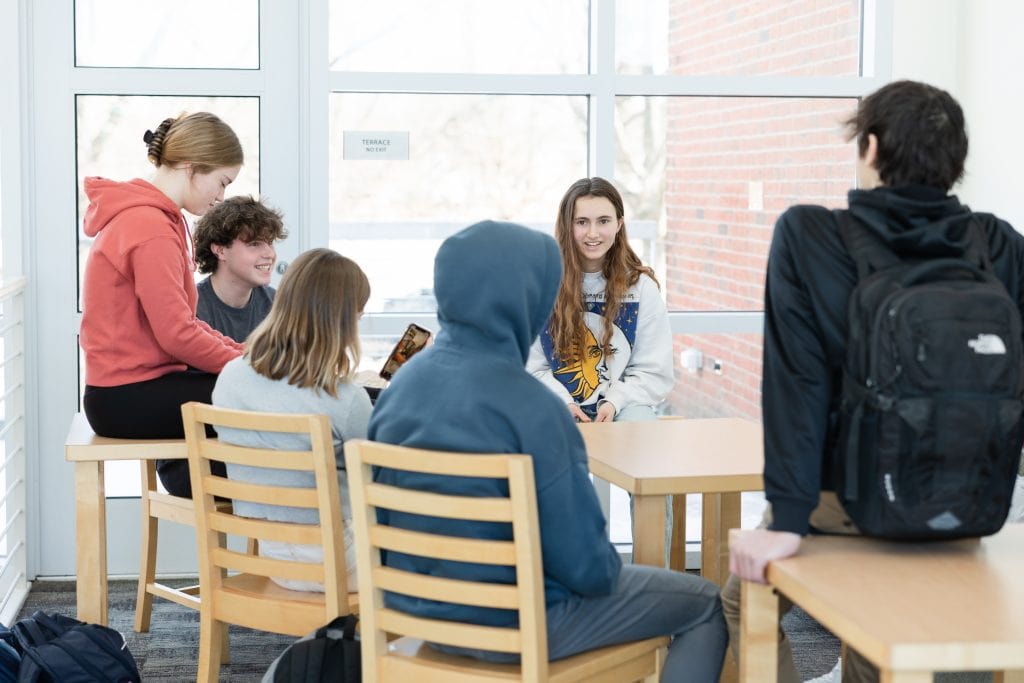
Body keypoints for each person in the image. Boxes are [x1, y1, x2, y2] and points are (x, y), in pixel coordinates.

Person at [726, 79, 1024, 683]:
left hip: (846, 507)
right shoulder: (997, 244)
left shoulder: (811, 236)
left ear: (869, 146)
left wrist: (787, 519)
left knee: (739, 601)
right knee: (884, 635)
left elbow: (797, 384)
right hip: (967, 506)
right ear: (955, 163)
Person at [369, 220, 727, 682]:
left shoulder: (403, 387)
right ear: (530, 300)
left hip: (417, 613)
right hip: (519, 622)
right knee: (705, 602)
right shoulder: (533, 408)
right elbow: (590, 570)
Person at [80, 111, 246, 497]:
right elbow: (177, 334)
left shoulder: (161, 220)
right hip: (125, 397)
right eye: (221, 182)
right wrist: (245, 368)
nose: (221, 197)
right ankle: (273, 505)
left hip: (136, 389)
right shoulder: (149, 227)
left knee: (259, 388)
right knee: (263, 395)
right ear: (191, 168)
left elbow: (183, 321)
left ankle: (251, 501)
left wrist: (240, 357)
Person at [212, 248, 372, 593]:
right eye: (358, 315)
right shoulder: (345, 399)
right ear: (342, 321)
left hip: (276, 559)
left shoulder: (230, 377)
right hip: (343, 562)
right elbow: (380, 479)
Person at [526, 177, 673, 423]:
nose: (593, 233)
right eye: (582, 222)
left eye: (603, 221)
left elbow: (654, 371)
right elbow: (530, 367)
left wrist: (614, 402)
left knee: (640, 431)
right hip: (554, 405)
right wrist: (563, 402)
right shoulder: (541, 285)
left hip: (624, 406)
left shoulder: (641, 288)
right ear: (567, 226)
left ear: (619, 224)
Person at [193, 195, 288, 343]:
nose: (270, 254)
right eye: (254, 244)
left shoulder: (277, 306)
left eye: (270, 243)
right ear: (221, 250)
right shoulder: (193, 309)